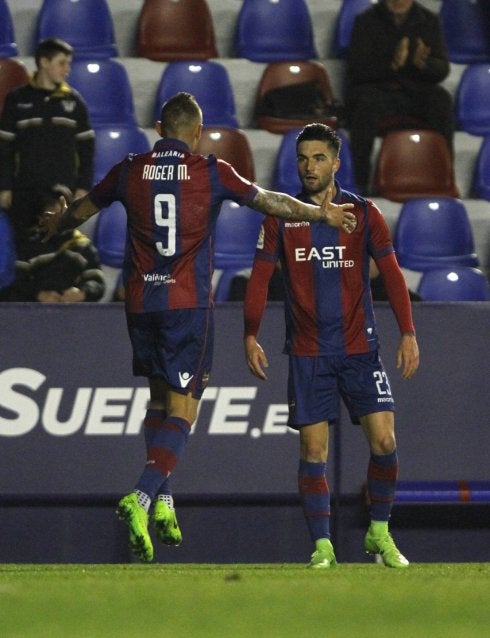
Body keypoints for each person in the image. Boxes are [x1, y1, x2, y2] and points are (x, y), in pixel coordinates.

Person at [39, 92, 357, 563]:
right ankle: (143, 496)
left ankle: (164, 501)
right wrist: (319, 213)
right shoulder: (210, 170)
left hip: (140, 304)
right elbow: (268, 202)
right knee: (184, 412)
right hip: (186, 304)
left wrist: (58, 221)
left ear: (159, 129)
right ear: (197, 134)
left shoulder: (130, 169)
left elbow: (82, 211)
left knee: (159, 402)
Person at [243, 123, 420, 569]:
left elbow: (393, 275)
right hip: (308, 353)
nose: (309, 166)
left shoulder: (365, 213)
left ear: (336, 163)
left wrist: (409, 332)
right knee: (314, 452)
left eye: (319, 158)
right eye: (303, 158)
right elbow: (261, 277)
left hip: (361, 348)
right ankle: (322, 546)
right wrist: (250, 332)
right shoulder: (281, 216)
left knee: (384, 440)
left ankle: (379, 531)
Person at [345, 0, 454, 195]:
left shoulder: (428, 20)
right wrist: (392, 64)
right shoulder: (366, 20)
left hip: (415, 93)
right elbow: (357, 70)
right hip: (379, 92)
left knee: (441, 100)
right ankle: (360, 183)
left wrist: (423, 64)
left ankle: (444, 177)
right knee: (365, 105)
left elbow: (442, 69)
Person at [0, 37, 95, 261]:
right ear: (44, 62)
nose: (67, 70)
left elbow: (87, 149)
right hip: (23, 192)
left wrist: (83, 186)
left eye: (68, 64)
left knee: (58, 247)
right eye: (62, 63)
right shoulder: (17, 100)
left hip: (60, 194)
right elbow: (4, 148)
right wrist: (4, 186)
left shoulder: (75, 102)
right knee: (23, 249)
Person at [3, 185, 105, 303]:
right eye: (52, 209)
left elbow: (96, 281)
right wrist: (38, 295)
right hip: (34, 315)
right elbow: (15, 285)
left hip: (75, 315)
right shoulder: (29, 245)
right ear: (41, 215)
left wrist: (83, 292)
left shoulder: (82, 245)